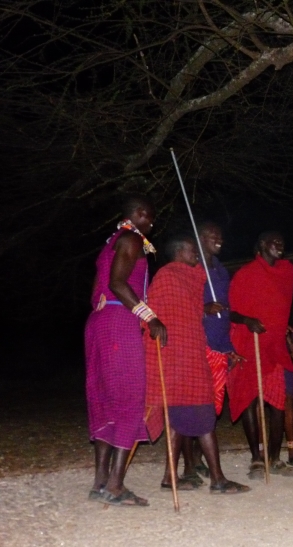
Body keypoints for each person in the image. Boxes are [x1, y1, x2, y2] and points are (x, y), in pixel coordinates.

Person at [145, 234, 248, 495]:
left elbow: (185, 313)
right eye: (192, 250)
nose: (196, 255)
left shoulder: (189, 279)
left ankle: (169, 477)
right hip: (176, 359)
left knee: (179, 419)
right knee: (203, 414)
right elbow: (158, 315)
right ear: (179, 251)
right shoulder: (166, 277)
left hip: (192, 355)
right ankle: (218, 480)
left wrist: (204, 309)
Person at [85, 195, 166, 507]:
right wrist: (150, 317)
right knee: (130, 398)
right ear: (140, 213)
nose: (153, 223)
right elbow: (118, 283)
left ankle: (100, 483)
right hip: (120, 321)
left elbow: (96, 292)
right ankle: (115, 486)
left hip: (100, 322)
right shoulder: (131, 238)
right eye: (151, 216)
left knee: (107, 400)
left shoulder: (111, 242)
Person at [228, 231, 293, 479]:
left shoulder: (286, 272)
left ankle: (275, 457)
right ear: (261, 245)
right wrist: (247, 320)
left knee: (278, 403)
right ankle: (256, 459)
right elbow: (231, 312)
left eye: (282, 241)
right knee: (249, 399)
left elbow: (281, 309)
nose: (280, 244)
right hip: (250, 344)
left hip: (274, 348)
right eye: (274, 241)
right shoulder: (245, 274)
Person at [182, 221, 241, 480]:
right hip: (196, 345)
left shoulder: (221, 270)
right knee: (192, 405)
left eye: (220, 235)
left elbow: (225, 312)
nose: (219, 238)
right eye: (212, 235)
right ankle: (188, 465)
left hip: (218, 345)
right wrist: (203, 309)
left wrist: (229, 347)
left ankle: (197, 459)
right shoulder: (190, 266)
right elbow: (180, 304)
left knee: (212, 409)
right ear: (199, 238)